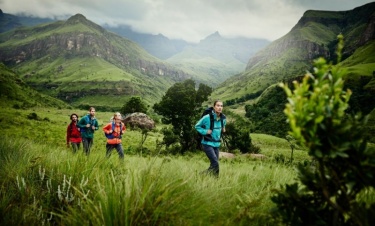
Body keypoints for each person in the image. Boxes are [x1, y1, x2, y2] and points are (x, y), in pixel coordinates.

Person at [195, 100, 226, 177]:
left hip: (216, 144)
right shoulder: (207, 117)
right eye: (218, 106)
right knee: (215, 163)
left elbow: (223, 126)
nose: (220, 107)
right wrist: (205, 131)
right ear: (214, 107)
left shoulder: (223, 118)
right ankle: (215, 179)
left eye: (221, 106)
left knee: (214, 164)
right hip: (207, 143)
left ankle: (202, 175)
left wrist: (223, 128)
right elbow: (197, 126)